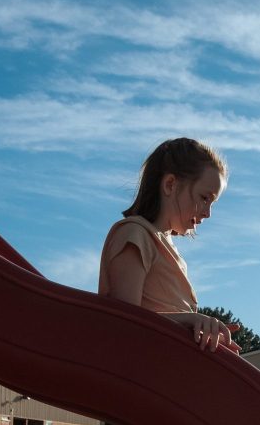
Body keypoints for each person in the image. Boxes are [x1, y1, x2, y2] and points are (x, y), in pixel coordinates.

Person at [98, 137, 236, 352]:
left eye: (213, 203)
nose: (208, 213)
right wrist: (190, 320)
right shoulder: (135, 234)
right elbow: (124, 322)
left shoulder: (170, 251)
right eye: (204, 198)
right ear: (170, 184)